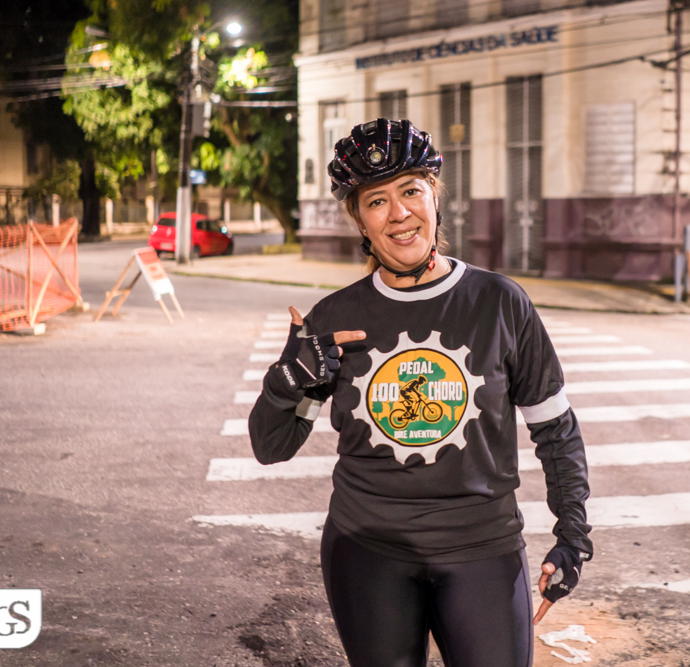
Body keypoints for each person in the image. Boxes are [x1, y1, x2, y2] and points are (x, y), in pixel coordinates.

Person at [249, 118, 592, 667]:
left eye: (411, 191)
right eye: (376, 201)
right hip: (367, 553)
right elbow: (271, 446)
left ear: (434, 196)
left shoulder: (499, 302)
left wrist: (572, 531)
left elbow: (555, 429)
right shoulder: (334, 318)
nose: (399, 213)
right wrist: (285, 379)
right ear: (359, 219)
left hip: (483, 550)